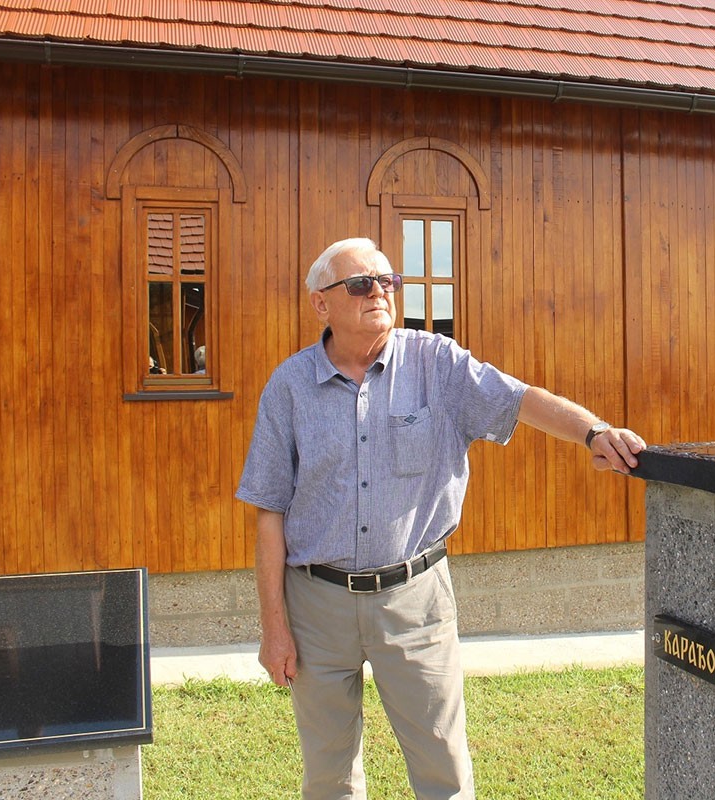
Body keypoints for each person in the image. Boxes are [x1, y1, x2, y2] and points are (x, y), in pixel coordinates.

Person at [236, 237, 646, 799]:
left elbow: (519, 399)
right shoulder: (288, 387)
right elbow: (269, 514)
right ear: (320, 303)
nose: (379, 291)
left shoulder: (436, 363)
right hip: (316, 607)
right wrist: (274, 628)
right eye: (360, 283)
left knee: (443, 769)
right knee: (328, 774)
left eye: (388, 281)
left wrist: (593, 432)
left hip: (415, 600)